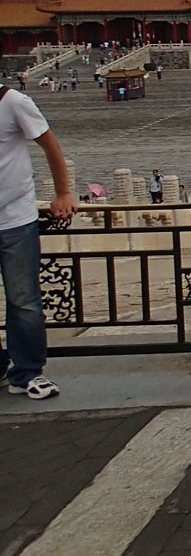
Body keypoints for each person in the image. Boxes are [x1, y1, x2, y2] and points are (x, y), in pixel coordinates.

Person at [0, 82, 77, 398]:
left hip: (15, 219)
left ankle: (27, 372)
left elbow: (50, 145)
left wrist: (63, 192)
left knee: (24, 301)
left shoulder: (13, 101)